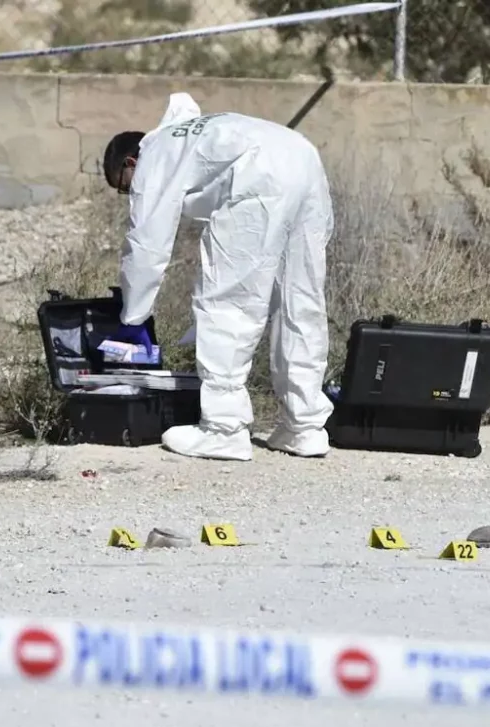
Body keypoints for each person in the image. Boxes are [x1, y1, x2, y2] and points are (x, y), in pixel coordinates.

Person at [102, 92, 336, 462]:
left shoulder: (156, 153)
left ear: (131, 161)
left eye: (124, 186)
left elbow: (146, 244)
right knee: (300, 300)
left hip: (257, 175)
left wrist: (132, 315)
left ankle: (223, 429)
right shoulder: (189, 134)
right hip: (303, 157)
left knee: (228, 302)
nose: (129, 194)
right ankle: (305, 426)